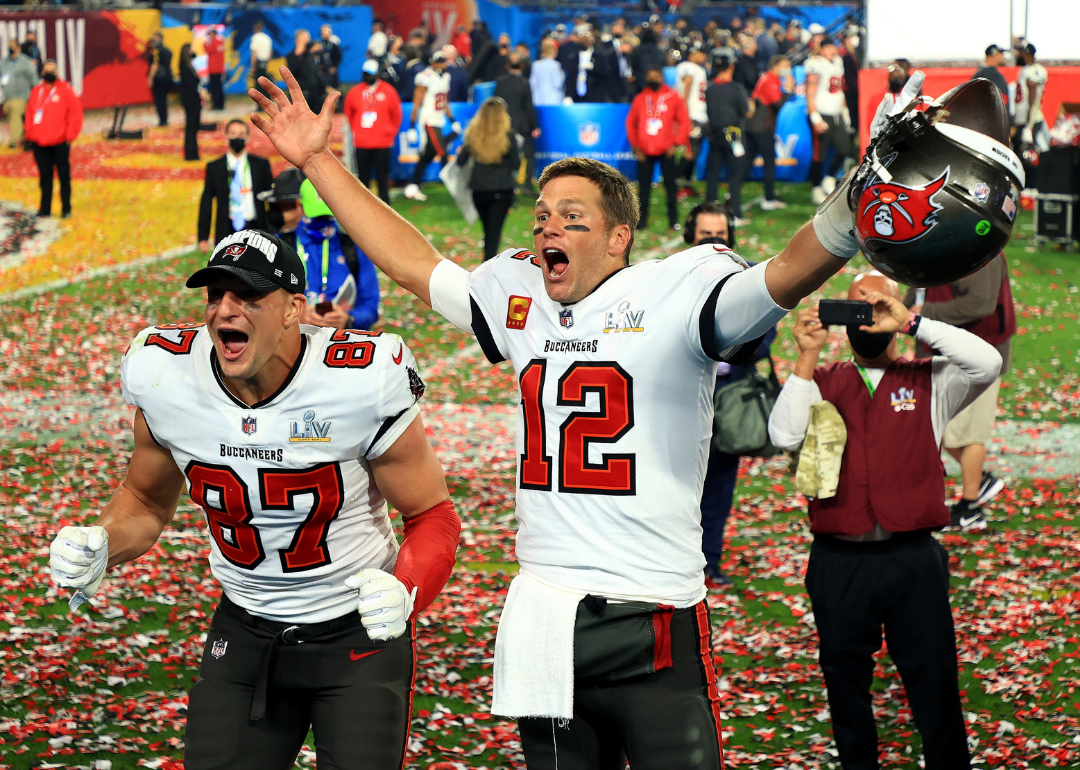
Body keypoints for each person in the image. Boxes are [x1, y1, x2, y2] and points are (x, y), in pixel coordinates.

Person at [248, 64, 876, 770]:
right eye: (542, 215)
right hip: (546, 610)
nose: (549, 227)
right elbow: (413, 264)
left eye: (573, 218)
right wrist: (318, 161)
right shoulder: (523, 296)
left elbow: (785, 273)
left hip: (655, 606)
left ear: (618, 238)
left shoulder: (679, 289)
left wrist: (852, 212)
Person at [49, 229, 460, 770]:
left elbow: (432, 515)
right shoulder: (165, 374)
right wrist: (104, 541)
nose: (225, 311)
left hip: (354, 633)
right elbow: (145, 501)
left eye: (247, 297)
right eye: (215, 296)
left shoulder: (357, 380)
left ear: (294, 309)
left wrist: (405, 587)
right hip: (243, 628)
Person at [768, 272, 1001, 770]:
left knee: (933, 678)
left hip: (911, 556)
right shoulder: (823, 379)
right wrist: (806, 356)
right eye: (857, 306)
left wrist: (915, 322)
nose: (867, 315)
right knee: (845, 681)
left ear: (897, 311)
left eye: (879, 305)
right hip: (839, 558)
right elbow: (785, 436)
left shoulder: (931, 378)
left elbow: (988, 362)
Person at [684, 202, 776, 586]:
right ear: (690, 237)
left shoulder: (750, 278)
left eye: (720, 236)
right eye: (705, 236)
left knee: (719, 485)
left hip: (729, 392)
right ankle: (677, 561)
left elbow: (767, 337)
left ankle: (710, 562)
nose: (713, 242)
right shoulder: (671, 277)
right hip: (683, 397)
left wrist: (721, 346)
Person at [906, 253, 1014, 529]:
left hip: (979, 355)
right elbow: (918, 291)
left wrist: (923, 316)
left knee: (964, 434)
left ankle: (970, 508)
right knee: (946, 432)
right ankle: (980, 482)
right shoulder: (936, 246)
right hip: (943, 354)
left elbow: (980, 303)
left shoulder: (980, 253)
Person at [297, 179, 381, 330]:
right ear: (300, 206)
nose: (324, 224)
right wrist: (297, 317)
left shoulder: (354, 248)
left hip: (342, 344)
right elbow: (265, 308)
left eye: (328, 216)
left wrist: (349, 319)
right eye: (317, 217)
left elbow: (370, 306)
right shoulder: (283, 247)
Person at [626, 66, 691, 231]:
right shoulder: (641, 98)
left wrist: (677, 143)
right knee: (644, 189)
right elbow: (630, 122)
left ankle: (673, 220)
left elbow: (684, 121)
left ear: (662, 78)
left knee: (671, 186)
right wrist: (635, 146)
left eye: (656, 76)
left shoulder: (673, 97)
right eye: (650, 76)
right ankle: (641, 222)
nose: (652, 79)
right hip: (644, 151)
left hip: (666, 149)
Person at [456, 97, 519, 260]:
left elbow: (460, 161)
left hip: (479, 189)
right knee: (494, 232)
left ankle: (488, 264)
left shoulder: (473, 134)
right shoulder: (508, 136)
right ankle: (489, 266)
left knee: (488, 230)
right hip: (503, 189)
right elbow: (516, 164)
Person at [197, 120, 273, 251]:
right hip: (226, 231)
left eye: (242, 134)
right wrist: (203, 236)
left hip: (256, 229)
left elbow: (271, 197)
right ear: (226, 136)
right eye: (233, 133)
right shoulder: (215, 167)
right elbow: (207, 201)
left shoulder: (261, 165)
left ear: (248, 137)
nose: (237, 137)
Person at [25, 60, 81, 219]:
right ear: (42, 73)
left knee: (64, 175)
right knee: (44, 176)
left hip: (60, 141)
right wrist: (30, 133)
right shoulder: (36, 91)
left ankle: (66, 208)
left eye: (53, 70)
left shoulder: (66, 90)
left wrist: (69, 136)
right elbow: (29, 112)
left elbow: (75, 114)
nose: (49, 73)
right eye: (47, 70)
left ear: (57, 72)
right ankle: (45, 209)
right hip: (39, 142)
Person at [344, 59, 402, 206]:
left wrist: (390, 133)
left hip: (382, 142)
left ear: (377, 74)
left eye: (370, 74)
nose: (368, 77)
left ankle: (386, 207)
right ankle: (364, 207)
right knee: (363, 178)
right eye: (365, 74)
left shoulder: (389, 91)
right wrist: (357, 131)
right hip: (362, 142)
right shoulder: (354, 92)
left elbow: (397, 115)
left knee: (382, 178)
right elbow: (348, 114)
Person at [404, 51, 458, 202]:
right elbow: (417, 104)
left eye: (443, 61)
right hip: (429, 120)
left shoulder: (446, 77)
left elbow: (444, 103)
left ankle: (413, 185)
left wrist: (452, 121)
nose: (442, 65)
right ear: (433, 62)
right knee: (442, 152)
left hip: (439, 121)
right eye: (439, 61)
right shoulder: (424, 77)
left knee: (428, 154)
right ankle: (454, 185)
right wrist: (412, 126)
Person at [805, 37, 853, 205]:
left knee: (844, 147)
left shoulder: (838, 62)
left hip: (837, 113)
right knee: (820, 153)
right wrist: (815, 116)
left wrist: (844, 110)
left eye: (834, 47)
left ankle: (829, 178)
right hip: (822, 113)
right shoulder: (816, 64)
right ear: (822, 49)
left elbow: (840, 90)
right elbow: (809, 91)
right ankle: (816, 187)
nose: (833, 50)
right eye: (829, 48)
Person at [705, 55, 752, 223]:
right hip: (733, 136)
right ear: (731, 67)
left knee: (713, 176)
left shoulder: (709, 89)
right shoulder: (736, 88)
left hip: (715, 134)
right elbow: (746, 112)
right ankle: (735, 213)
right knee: (735, 174)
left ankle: (708, 213)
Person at [746, 55, 793, 211]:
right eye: (785, 66)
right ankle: (768, 199)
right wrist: (788, 89)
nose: (788, 69)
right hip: (761, 127)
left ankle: (733, 194)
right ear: (776, 66)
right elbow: (777, 103)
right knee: (769, 162)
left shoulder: (769, 78)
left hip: (755, 125)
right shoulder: (770, 79)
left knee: (747, 162)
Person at [495, 53, 539, 194]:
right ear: (522, 66)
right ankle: (527, 184)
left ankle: (507, 184)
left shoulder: (500, 83)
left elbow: (496, 105)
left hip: (504, 126)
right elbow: (529, 107)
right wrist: (535, 126)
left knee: (504, 155)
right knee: (529, 155)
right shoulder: (525, 84)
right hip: (522, 126)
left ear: (507, 66)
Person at [1012, 41, 1047, 192]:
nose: (1018, 55)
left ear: (1026, 53)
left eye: (1021, 52)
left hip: (1029, 120)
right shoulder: (1029, 69)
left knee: (1027, 154)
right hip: (1025, 119)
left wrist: (1028, 124)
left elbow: (1033, 94)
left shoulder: (1032, 71)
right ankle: (1025, 186)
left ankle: (1030, 187)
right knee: (1022, 153)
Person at [675, 44, 708, 199]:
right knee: (690, 151)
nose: (704, 56)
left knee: (694, 152)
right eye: (701, 52)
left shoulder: (698, 68)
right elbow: (686, 86)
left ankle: (686, 186)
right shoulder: (688, 67)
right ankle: (674, 183)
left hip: (699, 114)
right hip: (692, 115)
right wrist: (686, 116)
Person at [0, 39, 38, 149]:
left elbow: (33, 79)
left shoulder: (25, 62)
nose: (10, 49)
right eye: (9, 47)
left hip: (21, 96)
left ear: (18, 48)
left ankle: (13, 141)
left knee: (16, 117)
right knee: (14, 117)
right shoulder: (4, 62)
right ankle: (26, 139)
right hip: (7, 97)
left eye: (12, 46)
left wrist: (34, 93)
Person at [286, 30, 323, 113]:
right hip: (300, 93)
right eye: (305, 39)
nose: (307, 41)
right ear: (298, 41)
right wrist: (300, 52)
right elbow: (294, 70)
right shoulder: (292, 56)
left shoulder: (312, 55)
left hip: (315, 94)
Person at [179, 43, 204, 161]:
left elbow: (196, 57)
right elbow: (191, 84)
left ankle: (194, 152)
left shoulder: (191, 65)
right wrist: (201, 92)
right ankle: (190, 153)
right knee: (191, 127)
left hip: (194, 99)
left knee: (194, 126)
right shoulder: (184, 67)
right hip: (190, 99)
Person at [145, 32, 173, 128]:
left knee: (159, 100)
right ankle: (164, 119)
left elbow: (155, 65)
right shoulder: (168, 51)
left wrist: (150, 78)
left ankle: (163, 120)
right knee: (164, 100)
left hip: (159, 79)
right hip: (167, 77)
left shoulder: (156, 52)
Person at [529, 39, 565, 106]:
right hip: (553, 100)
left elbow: (532, 83)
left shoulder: (535, 65)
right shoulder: (555, 65)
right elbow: (557, 83)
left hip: (538, 99)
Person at [249, 21, 273, 99]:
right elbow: (270, 52)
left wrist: (252, 66)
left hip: (258, 63)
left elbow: (254, 52)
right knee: (266, 83)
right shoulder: (267, 38)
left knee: (259, 84)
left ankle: (260, 103)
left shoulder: (255, 38)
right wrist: (268, 63)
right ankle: (268, 99)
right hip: (265, 62)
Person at [205, 28, 226, 111]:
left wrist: (206, 43)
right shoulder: (220, 42)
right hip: (219, 68)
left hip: (213, 69)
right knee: (219, 87)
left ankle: (216, 105)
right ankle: (220, 104)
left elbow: (207, 49)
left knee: (214, 88)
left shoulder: (213, 42)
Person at [319, 25, 343, 90]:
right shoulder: (318, 45)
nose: (325, 34)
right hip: (322, 71)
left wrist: (334, 67)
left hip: (331, 71)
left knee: (333, 89)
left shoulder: (334, 46)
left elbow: (339, 57)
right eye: (324, 32)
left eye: (327, 32)